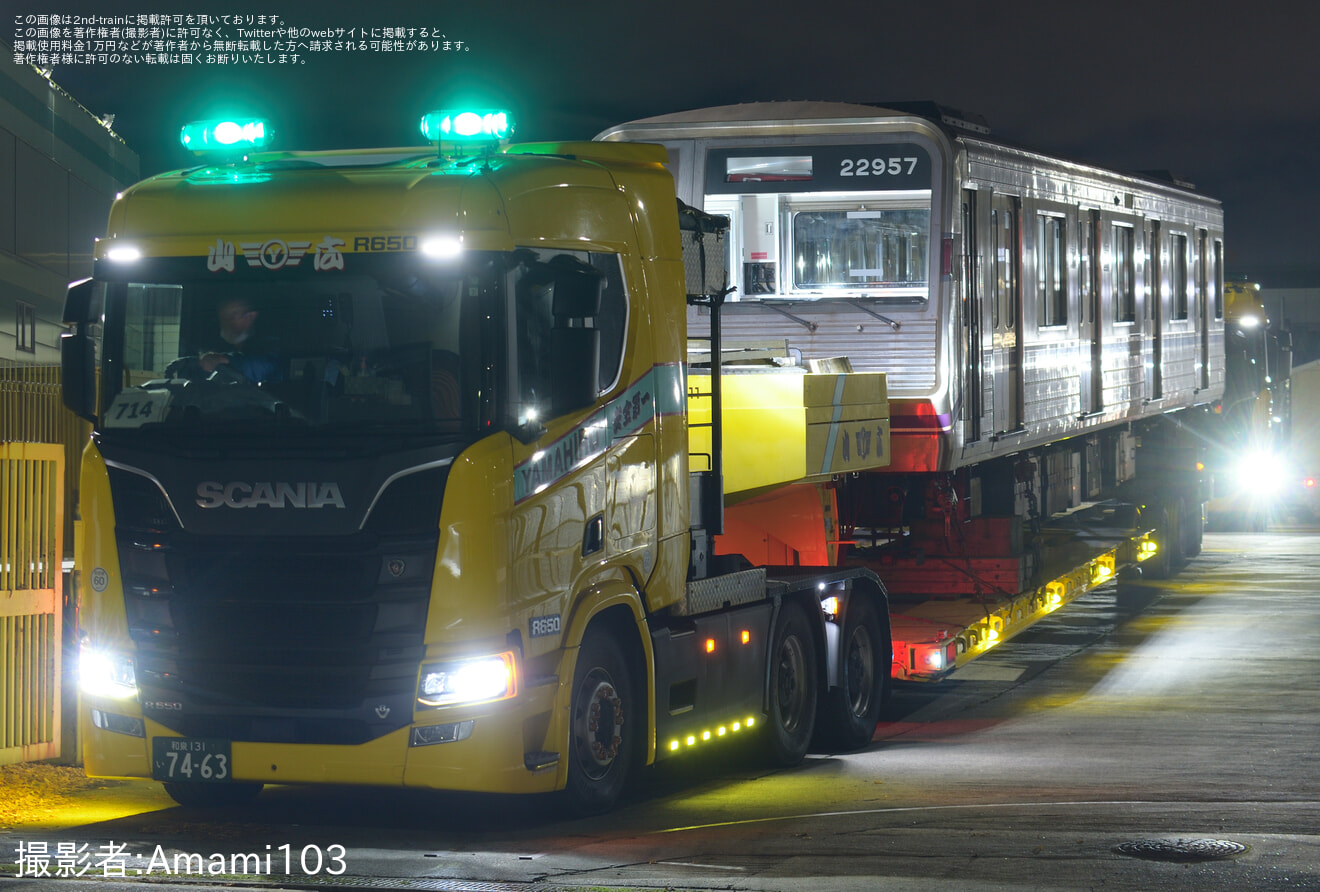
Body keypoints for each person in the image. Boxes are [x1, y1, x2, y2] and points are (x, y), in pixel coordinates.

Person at [198, 297, 282, 383]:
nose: (226, 323)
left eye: (233, 316)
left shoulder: (270, 344)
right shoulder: (220, 344)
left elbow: (265, 368)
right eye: (223, 317)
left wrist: (223, 360)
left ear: (251, 316)